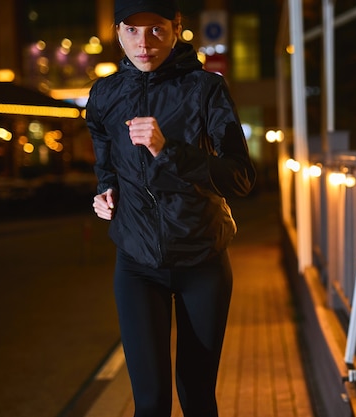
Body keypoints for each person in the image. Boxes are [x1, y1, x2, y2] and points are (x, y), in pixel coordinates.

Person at [86, 0, 256, 415]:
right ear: (117, 31)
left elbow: (240, 178)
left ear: (177, 27)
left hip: (202, 259)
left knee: (197, 397)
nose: (143, 43)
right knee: (150, 401)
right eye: (131, 30)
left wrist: (169, 150)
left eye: (156, 30)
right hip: (137, 263)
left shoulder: (205, 89)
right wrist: (106, 191)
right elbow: (105, 161)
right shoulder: (104, 94)